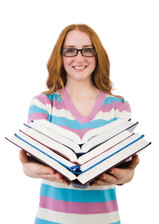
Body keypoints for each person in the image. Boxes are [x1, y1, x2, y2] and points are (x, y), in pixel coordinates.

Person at [19, 24, 139, 224]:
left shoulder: (118, 106)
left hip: (105, 220)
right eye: (70, 50)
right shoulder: (43, 103)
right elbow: (32, 164)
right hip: (51, 219)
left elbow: (125, 170)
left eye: (87, 50)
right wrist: (28, 168)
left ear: (97, 55)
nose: (79, 58)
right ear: (60, 56)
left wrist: (126, 175)